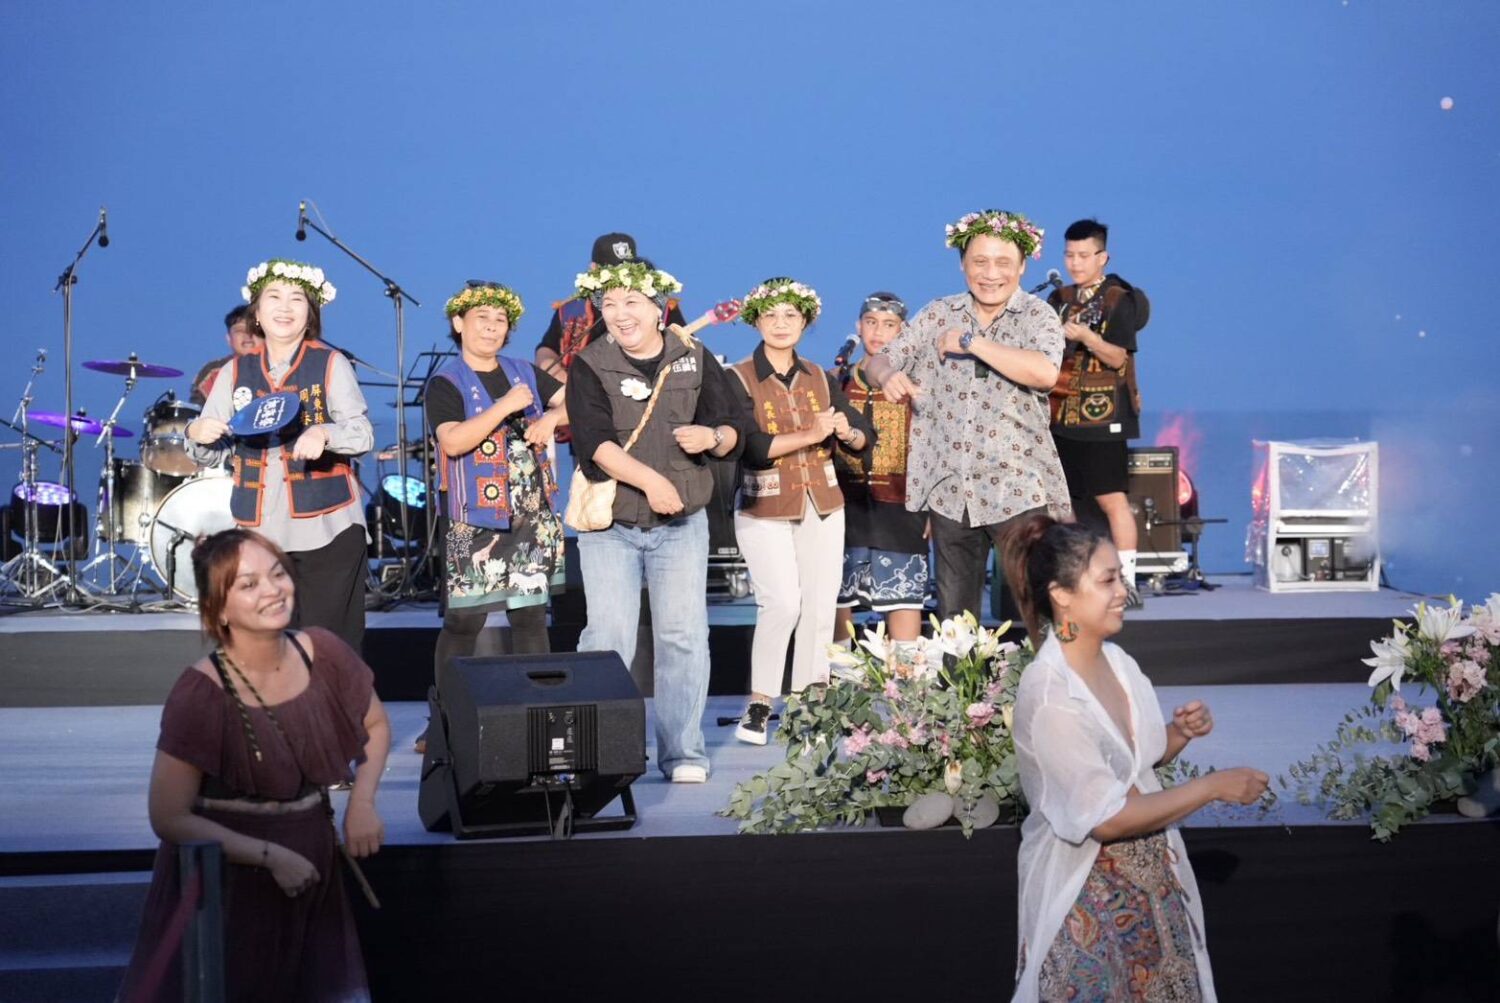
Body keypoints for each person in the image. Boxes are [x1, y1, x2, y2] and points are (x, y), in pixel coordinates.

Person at [1000, 514, 1268, 1001]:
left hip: (1155, 894)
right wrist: (1210, 787)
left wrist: (1178, 734)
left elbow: (1132, 760)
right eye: (1108, 580)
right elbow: (1104, 818)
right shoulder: (1051, 695)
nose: (1123, 591)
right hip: (1086, 902)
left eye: (1120, 577)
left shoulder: (1119, 663)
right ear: (1061, 594)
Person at [117, 528, 390, 1003]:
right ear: (218, 609)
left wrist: (362, 803)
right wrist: (270, 856)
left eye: (278, 574)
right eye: (248, 584)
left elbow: (376, 724)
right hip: (227, 880)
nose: (272, 590)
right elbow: (169, 816)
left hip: (310, 861)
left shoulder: (323, 651)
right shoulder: (201, 693)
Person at [564, 260, 742, 782]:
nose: (620, 314)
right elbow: (594, 444)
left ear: (659, 309)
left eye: (632, 303)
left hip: (682, 526)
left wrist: (713, 438)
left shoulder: (694, 356)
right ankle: (598, 753)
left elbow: (735, 426)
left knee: (683, 637)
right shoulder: (588, 364)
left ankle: (683, 752)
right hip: (611, 525)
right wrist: (650, 481)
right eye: (609, 304)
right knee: (608, 638)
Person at [863, 210, 1073, 623]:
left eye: (1003, 263)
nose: (991, 274)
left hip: (1018, 488)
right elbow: (881, 360)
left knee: (1040, 613)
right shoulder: (937, 313)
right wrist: (886, 375)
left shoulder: (1037, 316)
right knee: (955, 625)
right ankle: (962, 671)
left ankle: (1047, 669)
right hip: (950, 491)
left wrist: (970, 342)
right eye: (980, 262)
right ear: (963, 264)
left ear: (1022, 266)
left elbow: (1045, 372)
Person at [186, 259, 374, 653]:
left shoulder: (331, 363)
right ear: (256, 312)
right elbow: (209, 451)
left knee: (331, 651)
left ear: (311, 313)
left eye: (296, 299)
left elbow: (362, 433)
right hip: (259, 530)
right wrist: (196, 433)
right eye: (273, 297)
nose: (284, 307)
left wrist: (325, 433)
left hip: (328, 527)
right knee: (267, 649)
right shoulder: (234, 372)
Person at [418, 281, 567, 754]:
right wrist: (505, 407)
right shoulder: (446, 382)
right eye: (481, 318)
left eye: (500, 320)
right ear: (459, 324)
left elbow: (576, 400)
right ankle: (443, 721)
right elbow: (453, 441)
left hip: (531, 513)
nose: (491, 327)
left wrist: (551, 418)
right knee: (464, 621)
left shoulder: (525, 371)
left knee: (530, 618)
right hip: (473, 517)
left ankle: (537, 717)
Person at [725, 278, 873, 744]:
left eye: (791, 314)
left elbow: (862, 435)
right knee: (782, 603)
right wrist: (812, 433)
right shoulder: (737, 376)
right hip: (764, 503)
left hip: (822, 502)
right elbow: (751, 446)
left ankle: (813, 705)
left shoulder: (820, 377)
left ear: (805, 321)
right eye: (771, 315)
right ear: (756, 322)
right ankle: (760, 702)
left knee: (820, 606)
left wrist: (848, 433)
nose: (781, 323)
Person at [1048, 219, 1148, 608]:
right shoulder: (1058, 298)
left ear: (1102, 257)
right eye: (1069, 255)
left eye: (1084, 255)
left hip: (1105, 415)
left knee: (1111, 499)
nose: (1075, 263)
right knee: (1064, 503)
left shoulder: (1118, 298)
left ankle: (1129, 581)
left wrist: (1087, 337)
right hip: (1060, 413)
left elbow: (1118, 356)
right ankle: (1076, 576)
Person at [830, 291, 929, 650]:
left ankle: (906, 680)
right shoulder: (837, 381)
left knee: (904, 599)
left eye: (889, 325)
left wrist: (933, 506)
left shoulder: (916, 384)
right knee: (837, 601)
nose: (878, 332)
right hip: (844, 509)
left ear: (903, 332)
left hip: (901, 509)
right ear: (858, 326)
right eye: (871, 322)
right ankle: (840, 677)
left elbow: (933, 447)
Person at [533, 232, 687, 388]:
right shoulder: (571, 310)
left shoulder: (659, 306)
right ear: (593, 269)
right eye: (611, 272)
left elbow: (687, 347)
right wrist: (558, 376)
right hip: (578, 391)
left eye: (627, 270)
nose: (619, 277)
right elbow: (546, 349)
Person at [190, 305, 261, 406]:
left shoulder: (279, 368)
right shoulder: (212, 372)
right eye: (240, 331)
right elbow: (196, 410)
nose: (248, 335)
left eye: (254, 329)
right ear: (229, 339)